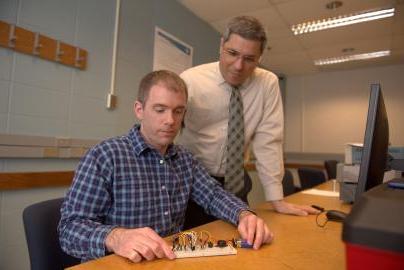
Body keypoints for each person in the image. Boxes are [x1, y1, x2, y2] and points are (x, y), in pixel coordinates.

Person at [58, 70, 272, 263]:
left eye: (178, 111)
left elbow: (214, 195)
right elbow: (69, 229)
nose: (170, 120)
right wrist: (116, 237)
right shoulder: (105, 156)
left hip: (167, 260)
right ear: (139, 110)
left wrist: (244, 215)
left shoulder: (185, 160)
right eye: (160, 110)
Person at [178, 16, 319, 228]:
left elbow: (268, 141)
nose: (238, 66)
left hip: (236, 184)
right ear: (221, 45)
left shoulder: (267, 83)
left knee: (243, 248)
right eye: (232, 53)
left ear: (260, 57)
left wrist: (277, 199)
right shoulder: (190, 80)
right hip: (193, 184)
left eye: (249, 59)